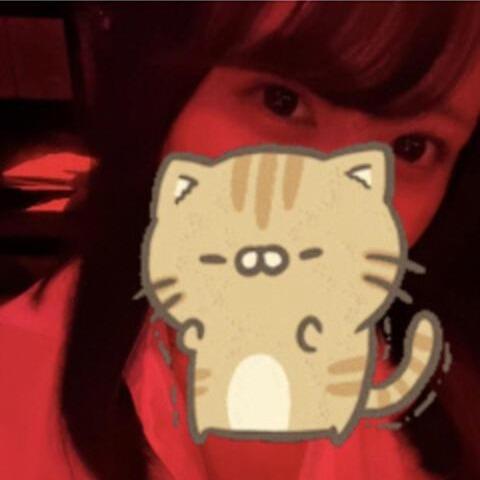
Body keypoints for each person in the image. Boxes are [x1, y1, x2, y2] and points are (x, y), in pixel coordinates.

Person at [1, 2, 480, 479]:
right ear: (158, 97)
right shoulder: (16, 384)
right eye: (281, 101)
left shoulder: (449, 390)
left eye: (411, 148)